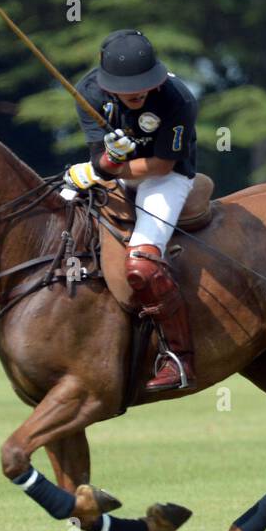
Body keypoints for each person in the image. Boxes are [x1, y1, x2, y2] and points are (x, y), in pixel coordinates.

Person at [63, 29, 199, 391]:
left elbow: (162, 166)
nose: (138, 92)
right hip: (115, 174)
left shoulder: (177, 99)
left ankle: (178, 357)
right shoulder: (88, 93)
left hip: (166, 178)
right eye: (128, 87)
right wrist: (104, 162)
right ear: (107, 86)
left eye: (144, 83)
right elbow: (98, 157)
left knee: (143, 260)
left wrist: (105, 168)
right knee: (64, 225)